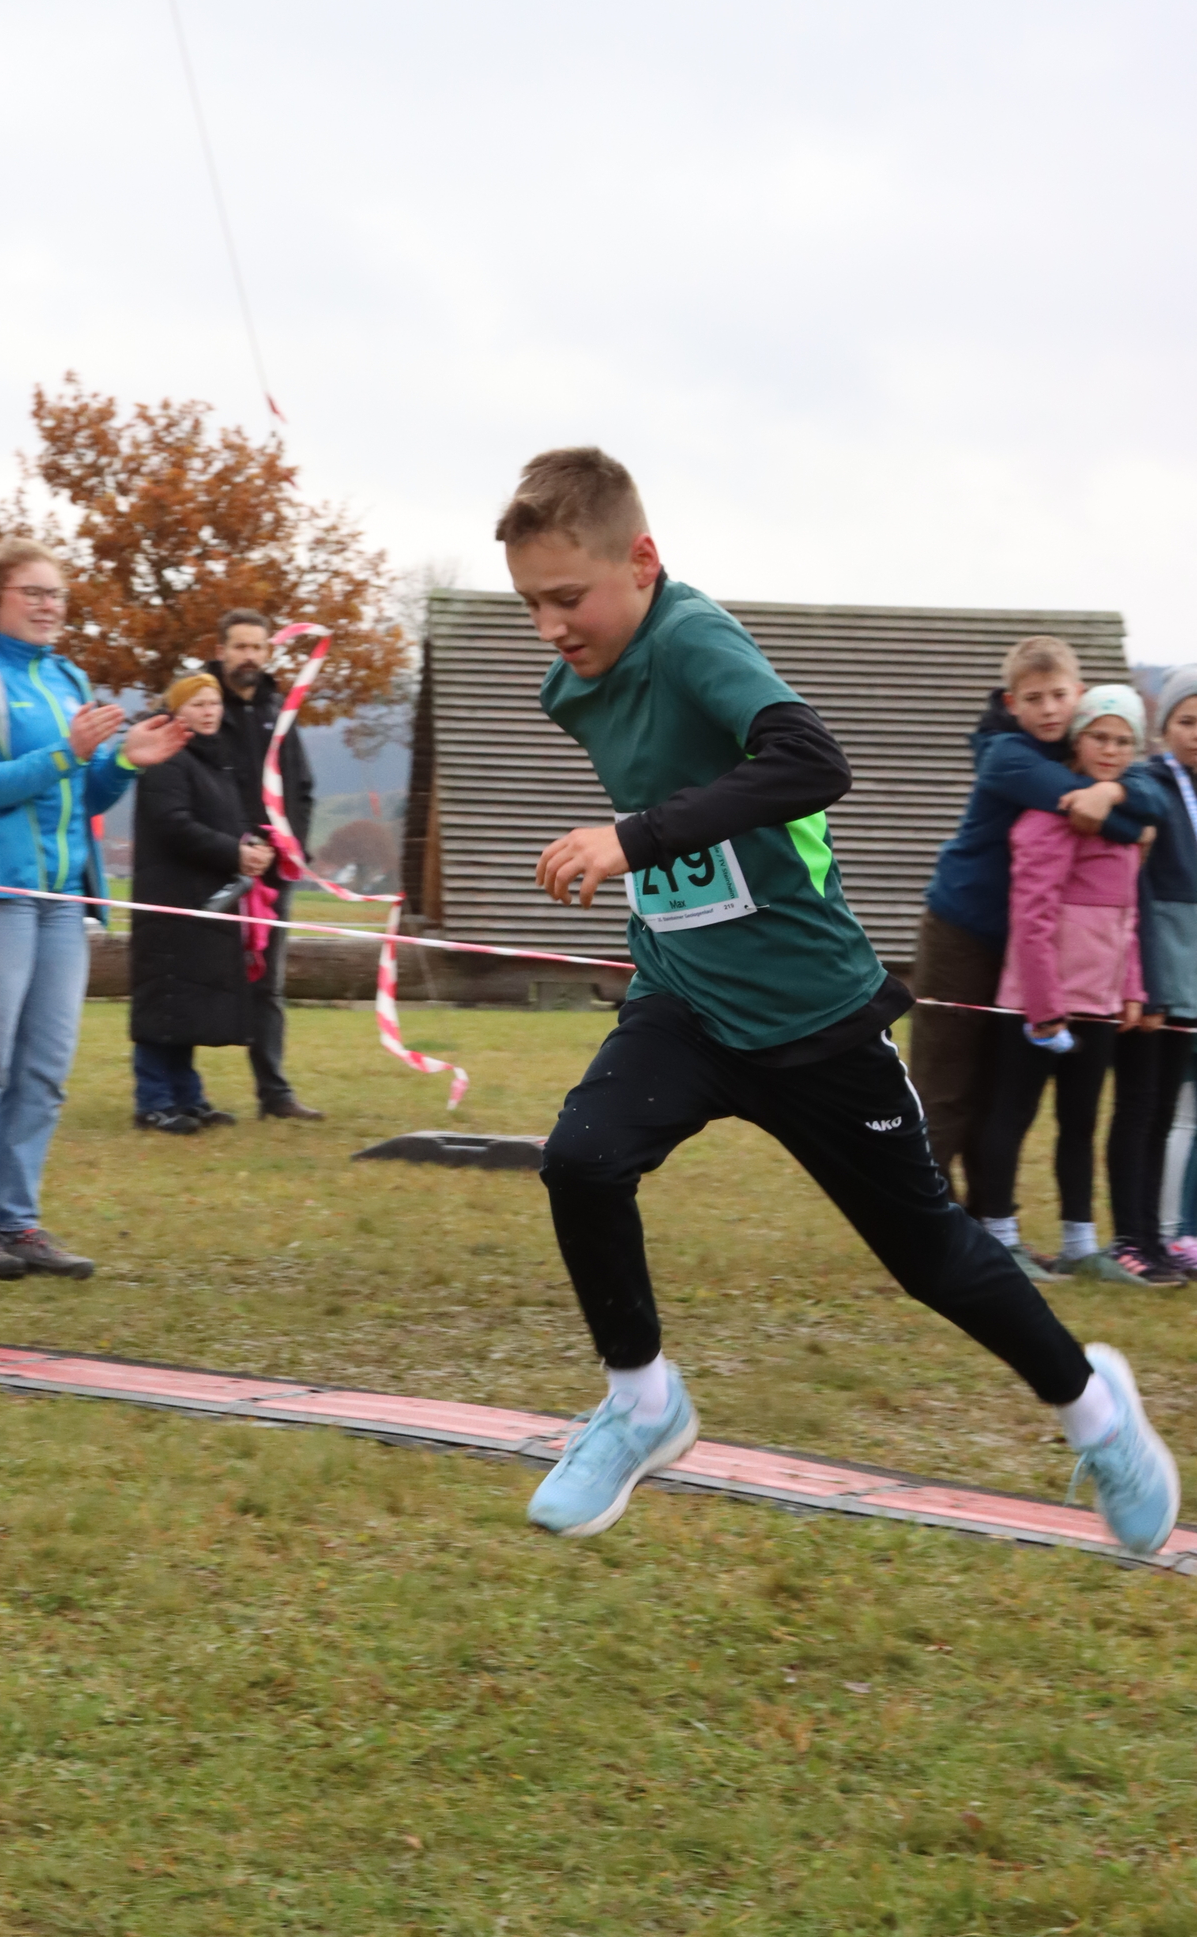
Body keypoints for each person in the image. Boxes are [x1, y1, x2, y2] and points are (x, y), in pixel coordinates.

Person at [500, 445, 1178, 1556]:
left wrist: (634, 838)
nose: (549, 627)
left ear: (642, 561)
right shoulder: (567, 686)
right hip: (683, 997)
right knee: (582, 1159)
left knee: (931, 1258)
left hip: (809, 1012)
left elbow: (813, 763)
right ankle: (641, 1404)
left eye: (567, 597)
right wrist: (652, 857)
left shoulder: (693, 638)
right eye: (530, 603)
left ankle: (1097, 1413)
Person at [0, 537, 183, 1279]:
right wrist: (68, 752)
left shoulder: (68, 679)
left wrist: (126, 760)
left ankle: (17, 1222)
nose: (48, 606)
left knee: (43, 1068)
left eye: (57, 595)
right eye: (32, 593)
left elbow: (84, 794)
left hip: (63, 897)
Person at [911, 636, 1163, 1206]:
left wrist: (1115, 788)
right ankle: (921, 1220)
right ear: (1012, 703)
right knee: (946, 1085)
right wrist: (1123, 811)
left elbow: (1148, 793)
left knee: (993, 1087)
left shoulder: (1079, 748)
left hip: (1022, 941)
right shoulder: (1008, 755)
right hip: (962, 930)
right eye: (1034, 698)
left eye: (1058, 696)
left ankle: (986, 1219)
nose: (1049, 709)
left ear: (1078, 694)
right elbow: (1100, 813)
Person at [972, 687, 1151, 1281]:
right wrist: (1044, 1008)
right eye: (1099, 736)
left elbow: (1127, 920)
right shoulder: (1049, 817)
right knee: (1013, 1115)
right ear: (1077, 738)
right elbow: (1033, 917)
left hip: (1098, 1007)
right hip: (1036, 1006)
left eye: (1123, 741)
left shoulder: (1123, 828)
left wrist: (1131, 990)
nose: (1110, 749)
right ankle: (1000, 1237)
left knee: (1081, 1123)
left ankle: (1080, 1244)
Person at [129, 674, 273, 1131]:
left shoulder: (216, 761)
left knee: (186, 1004)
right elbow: (173, 825)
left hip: (206, 900)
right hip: (169, 899)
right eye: (198, 704)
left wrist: (253, 844)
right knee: (165, 1000)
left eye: (214, 703)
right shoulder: (167, 760)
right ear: (176, 711)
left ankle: (187, 1097)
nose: (209, 712)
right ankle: (153, 1100)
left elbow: (229, 821)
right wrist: (234, 852)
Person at [206, 612, 323, 1121]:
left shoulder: (280, 711)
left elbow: (302, 787)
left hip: (274, 874)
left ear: (268, 653)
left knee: (267, 986)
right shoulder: (203, 706)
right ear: (221, 650)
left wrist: (291, 846)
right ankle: (179, 1091)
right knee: (198, 975)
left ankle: (274, 1093)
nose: (249, 656)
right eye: (239, 646)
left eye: (257, 647)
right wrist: (233, 844)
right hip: (215, 863)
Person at [1130, 667, 1197, 1272]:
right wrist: (1149, 982)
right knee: (1160, 1113)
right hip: (1163, 980)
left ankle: (1174, 1233)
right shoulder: (1152, 784)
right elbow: (1144, 895)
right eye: (1187, 721)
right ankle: (1154, 1234)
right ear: (1164, 727)